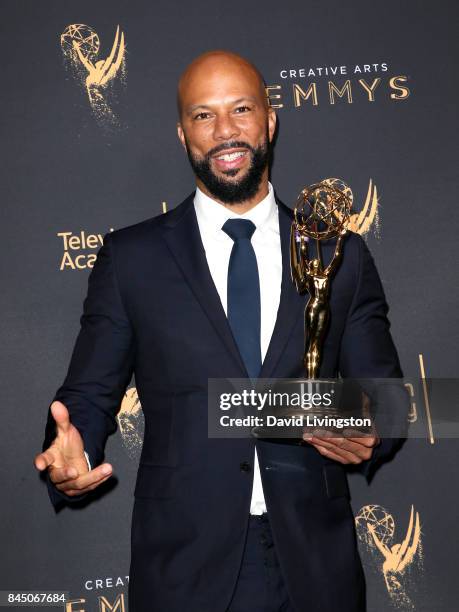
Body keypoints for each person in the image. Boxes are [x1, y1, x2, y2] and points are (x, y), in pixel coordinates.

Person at [34, 50, 407, 612]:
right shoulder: (132, 258)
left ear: (270, 119)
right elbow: (87, 395)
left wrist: (370, 427)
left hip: (313, 567)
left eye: (241, 109)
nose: (225, 131)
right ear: (183, 134)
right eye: (203, 115)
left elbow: (390, 400)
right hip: (184, 567)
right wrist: (71, 454)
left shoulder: (339, 253)